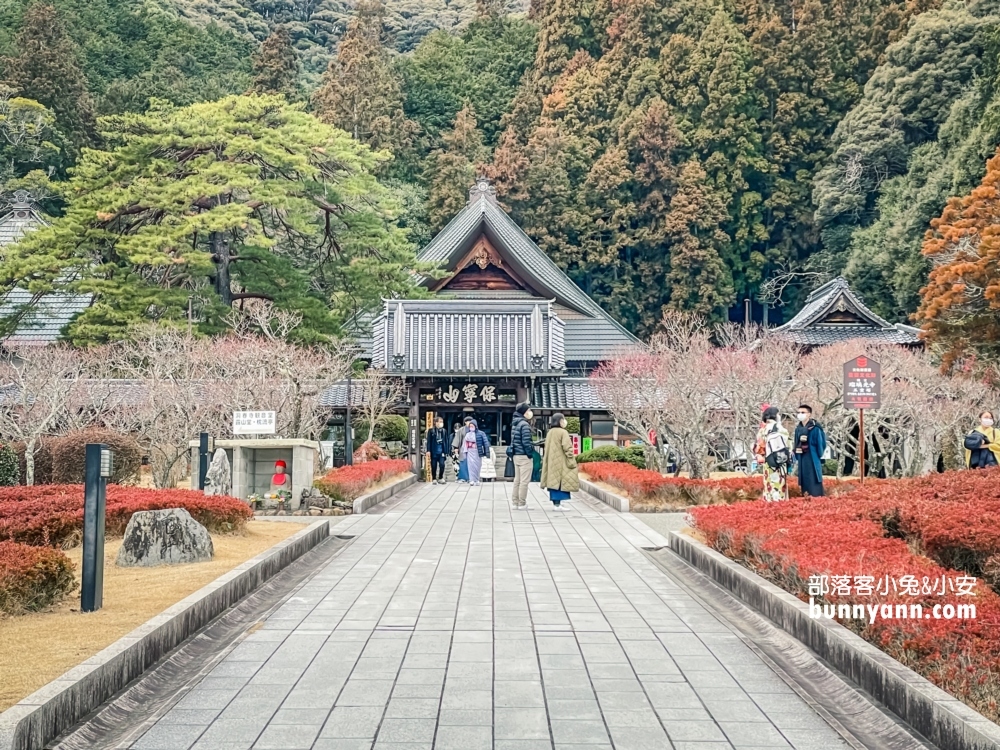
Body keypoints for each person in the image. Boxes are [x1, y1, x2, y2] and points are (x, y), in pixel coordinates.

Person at [540, 413, 579, 509]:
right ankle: (558, 505)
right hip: (561, 461)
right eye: (563, 419)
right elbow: (567, 447)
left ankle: (556, 503)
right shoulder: (563, 432)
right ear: (560, 421)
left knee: (553, 481)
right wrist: (571, 458)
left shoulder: (550, 432)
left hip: (551, 461)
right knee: (561, 482)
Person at [754, 406, 790, 502]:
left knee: (768, 486)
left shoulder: (762, 430)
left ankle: (768, 504)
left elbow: (758, 448)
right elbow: (787, 445)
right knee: (779, 485)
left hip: (767, 463)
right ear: (775, 416)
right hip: (779, 462)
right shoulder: (780, 429)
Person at [793, 405, 827, 496]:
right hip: (802, 457)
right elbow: (795, 443)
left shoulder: (816, 428)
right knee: (804, 479)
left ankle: (817, 498)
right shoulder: (798, 429)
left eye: (803, 412)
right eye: (799, 412)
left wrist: (818, 455)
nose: (800, 414)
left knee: (813, 478)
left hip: (813, 457)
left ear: (809, 414)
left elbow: (821, 444)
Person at [510, 402, 535, 509]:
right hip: (524, 455)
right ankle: (522, 503)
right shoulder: (524, 424)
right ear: (524, 412)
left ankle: (515, 502)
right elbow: (526, 442)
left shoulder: (515, 423)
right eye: (528, 410)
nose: (530, 412)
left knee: (517, 480)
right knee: (524, 481)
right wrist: (530, 454)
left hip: (516, 455)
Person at [462, 419, 490, 486]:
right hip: (470, 451)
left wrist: (487, 452)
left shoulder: (481, 433)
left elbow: (486, 443)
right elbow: (465, 444)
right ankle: (471, 480)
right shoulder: (467, 434)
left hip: (477, 451)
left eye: (472, 426)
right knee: (470, 466)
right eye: (470, 426)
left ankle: (477, 479)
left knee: (477, 466)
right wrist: (464, 451)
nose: (471, 427)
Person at [425, 417, 449, 485]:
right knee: (434, 465)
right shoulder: (431, 430)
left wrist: (446, 451)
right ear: (436, 423)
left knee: (442, 464)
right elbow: (429, 441)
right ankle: (434, 478)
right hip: (434, 450)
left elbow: (446, 441)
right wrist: (428, 450)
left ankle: (441, 477)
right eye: (440, 421)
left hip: (441, 451)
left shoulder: (444, 431)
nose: (441, 423)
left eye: (442, 422)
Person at [453, 417, 473, 483]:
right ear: (465, 422)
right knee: (463, 463)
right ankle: (462, 478)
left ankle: (471, 477)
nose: (469, 422)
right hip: (463, 448)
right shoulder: (461, 430)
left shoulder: (474, 429)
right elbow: (457, 439)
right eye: (468, 421)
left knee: (471, 463)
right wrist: (456, 448)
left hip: (472, 449)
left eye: (470, 421)